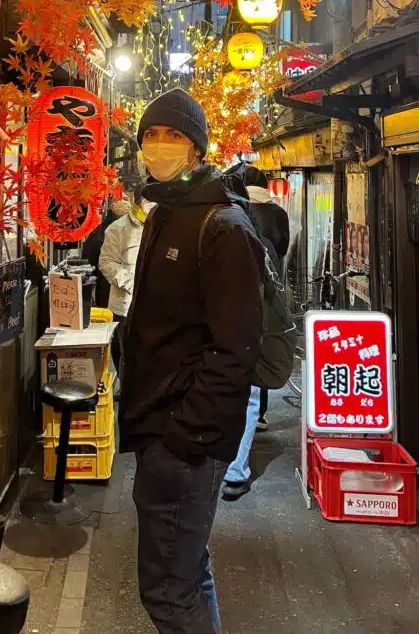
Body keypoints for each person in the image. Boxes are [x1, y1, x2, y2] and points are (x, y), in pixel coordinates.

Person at [119, 89, 264, 634]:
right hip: (162, 434)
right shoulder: (165, 213)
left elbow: (235, 350)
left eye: (173, 136)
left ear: (198, 149)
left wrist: (181, 436)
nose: (160, 146)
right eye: (151, 135)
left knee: (167, 594)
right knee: (186, 576)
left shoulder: (223, 228)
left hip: (184, 444)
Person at [222, 166, 289, 500]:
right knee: (248, 398)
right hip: (252, 330)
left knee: (235, 397)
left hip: (228, 336)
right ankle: (235, 470)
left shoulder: (215, 235)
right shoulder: (265, 236)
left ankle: (226, 466)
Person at [98, 183, 150, 373]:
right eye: (148, 200)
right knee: (127, 358)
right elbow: (106, 262)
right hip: (125, 307)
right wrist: (131, 282)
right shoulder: (117, 229)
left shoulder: (163, 227)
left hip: (156, 306)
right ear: (137, 203)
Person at [82, 196, 129, 308]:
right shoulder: (101, 232)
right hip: (108, 292)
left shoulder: (100, 231)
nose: (123, 202)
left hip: (116, 292)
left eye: (126, 199)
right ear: (112, 205)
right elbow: (88, 264)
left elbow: (88, 262)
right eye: (120, 199)